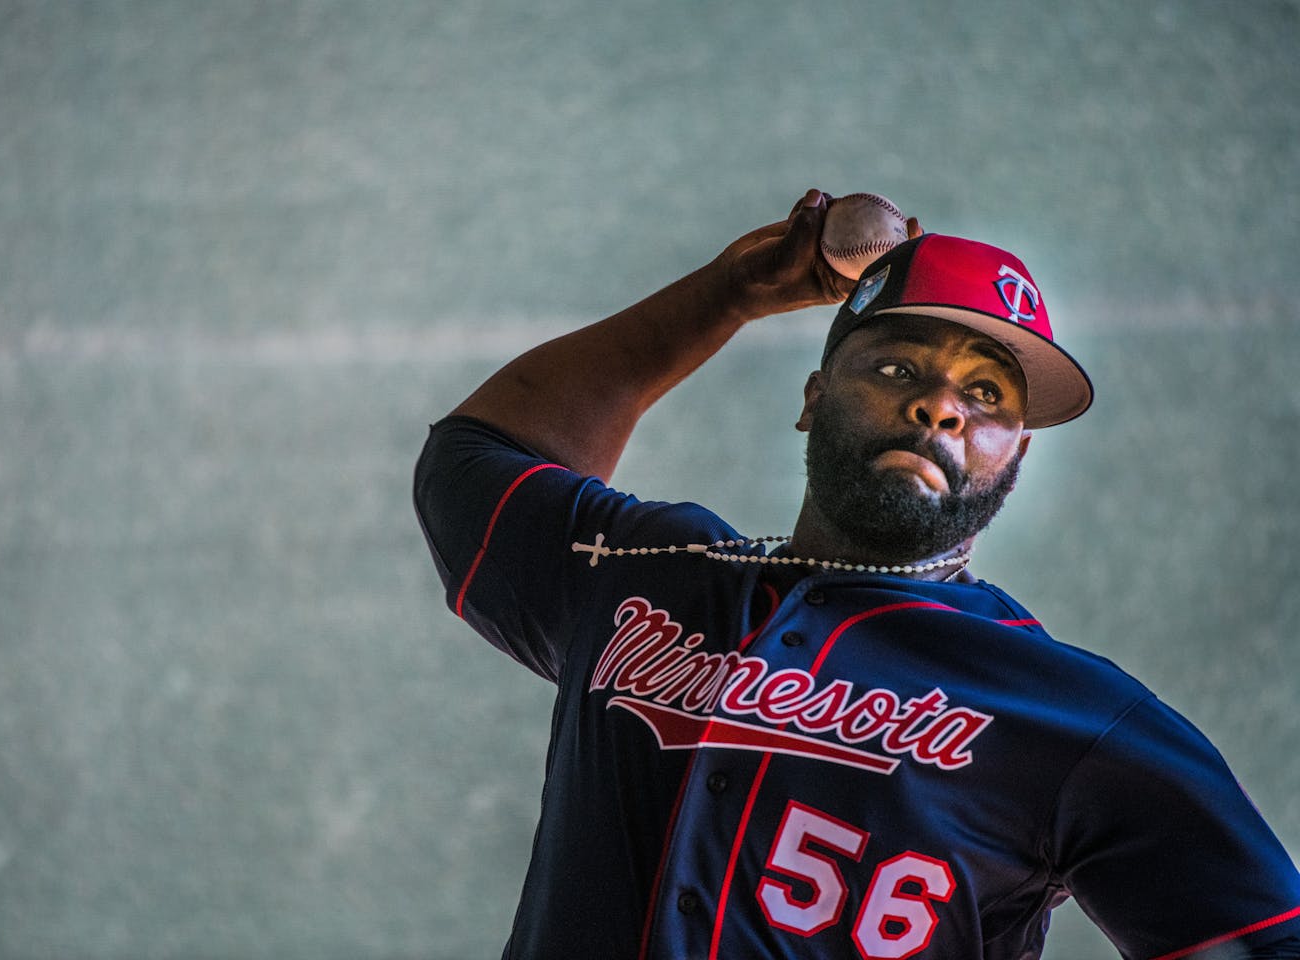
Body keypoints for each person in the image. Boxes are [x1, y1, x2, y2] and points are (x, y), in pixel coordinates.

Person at [412, 189, 1300, 958]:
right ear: (813, 397)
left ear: (1014, 454)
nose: (941, 405)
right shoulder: (644, 577)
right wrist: (729, 295)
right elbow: (477, 459)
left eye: (986, 395)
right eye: (897, 366)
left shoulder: (1072, 718)